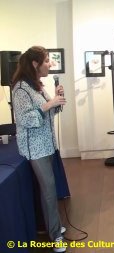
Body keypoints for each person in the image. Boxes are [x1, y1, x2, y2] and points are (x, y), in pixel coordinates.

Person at [11, 46, 67, 252]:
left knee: (48, 190)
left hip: (47, 144)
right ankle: (55, 236)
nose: (50, 64)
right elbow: (26, 119)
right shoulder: (20, 89)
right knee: (49, 191)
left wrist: (56, 100)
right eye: (46, 61)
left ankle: (52, 226)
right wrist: (48, 104)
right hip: (35, 148)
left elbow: (50, 113)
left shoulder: (37, 86)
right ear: (35, 64)